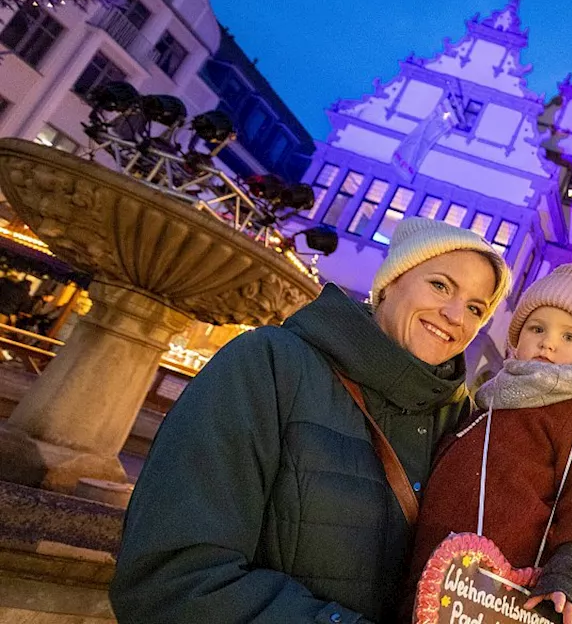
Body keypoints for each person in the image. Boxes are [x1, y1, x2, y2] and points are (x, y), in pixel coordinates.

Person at [110, 219, 513, 623]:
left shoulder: (464, 423)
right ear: (391, 282)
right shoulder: (269, 365)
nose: (455, 314)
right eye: (440, 285)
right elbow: (171, 576)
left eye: (477, 308)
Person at [409, 262, 572, 624]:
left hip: (502, 597)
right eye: (537, 328)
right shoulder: (488, 403)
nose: (549, 342)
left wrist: (568, 574)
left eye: (570, 337)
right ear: (517, 338)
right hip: (433, 579)